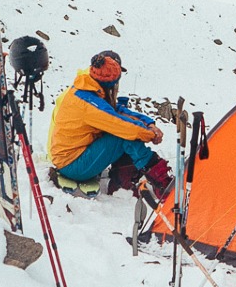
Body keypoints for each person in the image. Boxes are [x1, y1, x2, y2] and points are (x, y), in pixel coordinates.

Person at [47, 50, 171, 201]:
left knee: (125, 132)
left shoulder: (88, 90)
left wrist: (148, 124)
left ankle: (123, 180)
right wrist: (150, 134)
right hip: (72, 165)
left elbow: (117, 111)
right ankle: (161, 181)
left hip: (71, 158)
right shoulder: (88, 103)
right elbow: (119, 123)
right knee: (123, 135)